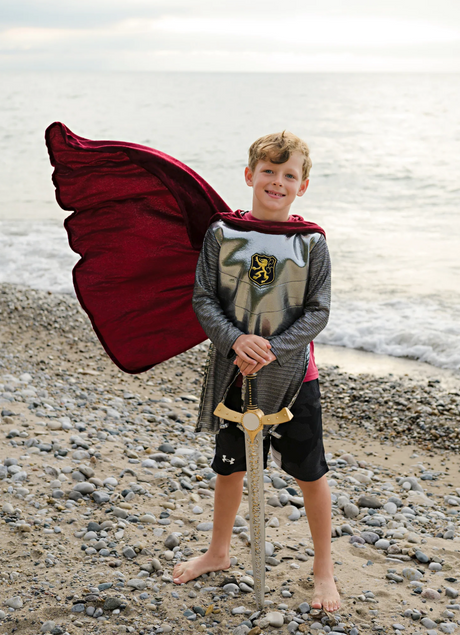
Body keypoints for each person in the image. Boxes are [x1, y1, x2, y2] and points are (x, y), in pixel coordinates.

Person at [172, 131, 340, 612]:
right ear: (250, 175)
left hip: (293, 380)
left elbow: (318, 311)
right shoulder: (222, 234)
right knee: (230, 469)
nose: (277, 181)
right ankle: (218, 551)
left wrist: (271, 347)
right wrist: (235, 340)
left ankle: (324, 571)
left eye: (289, 175)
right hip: (234, 376)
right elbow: (204, 297)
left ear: (302, 186)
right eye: (268, 171)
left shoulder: (311, 243)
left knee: (311, 474)